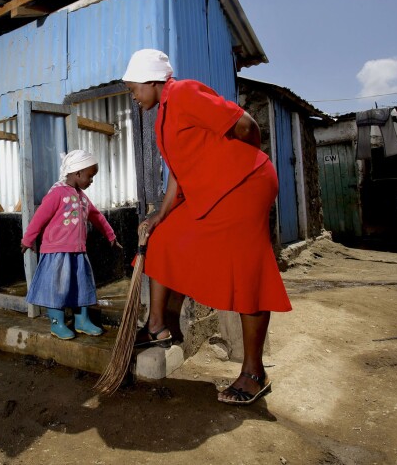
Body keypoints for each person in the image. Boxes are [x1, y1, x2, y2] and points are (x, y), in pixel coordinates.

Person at [122, 49, 292, 406]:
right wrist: (158, 216)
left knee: (246, 272)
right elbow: (178, 178)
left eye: (134, 87)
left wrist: (240, 162)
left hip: (246, 183)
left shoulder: (183, 92)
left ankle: (253, 373)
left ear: (153, 80)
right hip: (215, 192)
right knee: (164, 237)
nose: (133, 96)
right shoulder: (161, 118)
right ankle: (158, 326)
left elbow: (245, 124)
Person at [21, 149, 122, 340]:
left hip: (78, 252)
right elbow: (39, 217)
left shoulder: (82, 197)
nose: (91, 180)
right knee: (56, 288)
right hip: (57, 252)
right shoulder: (57, 193)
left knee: (81, 285)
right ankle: (57, 323)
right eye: (90, 176)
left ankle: (82, 321)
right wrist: (28, 239)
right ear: (77, 173)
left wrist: (111, 235)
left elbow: (97, 217)